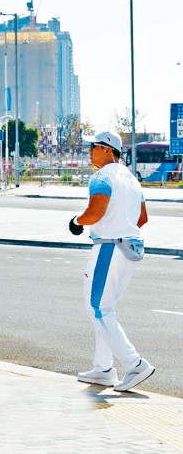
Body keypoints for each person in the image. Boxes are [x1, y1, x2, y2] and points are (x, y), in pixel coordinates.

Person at [70, 131, 155, 392]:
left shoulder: (102, 176)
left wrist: (76, 222)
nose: (89, 152)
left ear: (107, 150)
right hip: (129, 248)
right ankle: (103, 368)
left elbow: (94, 213)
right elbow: (142, 218)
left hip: (108, 248)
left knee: (98, 309)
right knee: (106, 310)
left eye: (93, 147)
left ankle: (135, 364)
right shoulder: (131, 179)